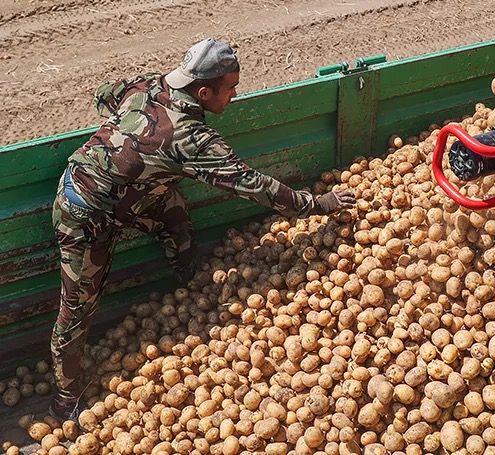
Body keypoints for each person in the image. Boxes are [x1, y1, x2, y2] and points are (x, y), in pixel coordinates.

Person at [50, 37, 355, 421]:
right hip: (84, 213)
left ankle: (193, 282)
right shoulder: (193, 140)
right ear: (204, 90)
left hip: (135, 196)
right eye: (231, 90)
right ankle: (65, 400)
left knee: (173, 212)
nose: (235, 96)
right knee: (77, 308)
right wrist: (318, 204)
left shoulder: (146, 83)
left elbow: (102, 96)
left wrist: (127, 140)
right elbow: (253, 185)